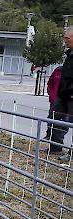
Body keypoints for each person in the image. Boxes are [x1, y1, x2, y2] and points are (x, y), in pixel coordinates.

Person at [45, 27, 73, 158]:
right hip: (63, 95)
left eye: (67, 38)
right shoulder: (69, 54)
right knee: (53, 117)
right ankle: (55, 147)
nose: (65, 41)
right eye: (64, 38)